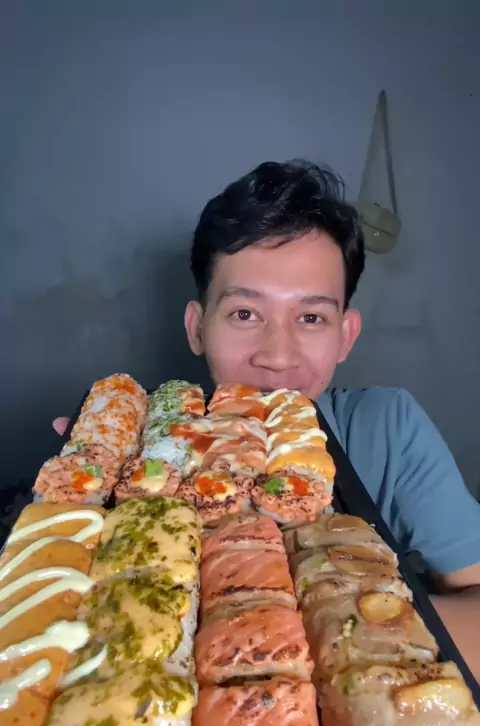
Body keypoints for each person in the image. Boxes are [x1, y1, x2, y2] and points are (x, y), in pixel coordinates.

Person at [55, 159, 480, 679]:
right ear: (197, 327)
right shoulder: (149, 451)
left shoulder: (387, 427)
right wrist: (85, 506)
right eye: (244, 314)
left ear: (345, 335)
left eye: (311, 317)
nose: (277, 357)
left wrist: (313, 631)